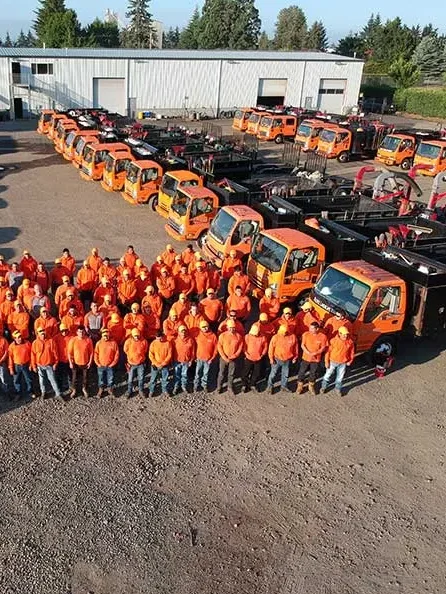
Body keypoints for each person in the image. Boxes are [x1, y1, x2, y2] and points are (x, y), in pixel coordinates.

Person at [320, 326, 355, 396]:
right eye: (344, 334)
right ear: (339, 333)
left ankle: (338, 389)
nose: (345, 335)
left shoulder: (350, 342)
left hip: (343, 363)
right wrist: (326, 362)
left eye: (346, 334)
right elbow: (328, 352)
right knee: (327, 375)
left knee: (340, 377)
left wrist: (350, 361)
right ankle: (323, 387)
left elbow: (352, 353)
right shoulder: (333, 341)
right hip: (332, 361)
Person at [296, 322, 328, 395]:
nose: (310, 329)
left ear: (317, 329)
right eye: (310, 328)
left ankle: (311, 386)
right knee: (301, 372)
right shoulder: (305, 334)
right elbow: (302, 345)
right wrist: (307, 352)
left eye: (312, 328)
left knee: (313, 373)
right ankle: (300, 386)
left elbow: (323, 347)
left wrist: (316, 353)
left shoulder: (323, 337)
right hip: (305, 358)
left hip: (316, 359)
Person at [267, 325, 299, 394]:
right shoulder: (275, 337)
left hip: (287, 360)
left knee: (285, 374)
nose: (283, 333)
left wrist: (295, 357)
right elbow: (271, 348)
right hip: (277, 359)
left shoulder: (293, 337)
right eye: (282, 332)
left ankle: (284, 386)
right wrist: (271, 358)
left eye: (284, 332)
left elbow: (295, 348)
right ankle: (270, 386)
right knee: (273, 374)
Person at [31, 327, 61, 399]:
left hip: (49, 365)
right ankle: (43, 392)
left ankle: (58, 394)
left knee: (52, 379)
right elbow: (33, 355)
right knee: (41, 380)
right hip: (39, 365)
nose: (43, 335)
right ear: (38, 334)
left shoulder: (51, 341)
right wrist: (34, 366)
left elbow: (55, 353)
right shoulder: (35, 343)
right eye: (41, 334)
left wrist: (55, 363)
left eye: (43, 333)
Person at [216, 319, 243, 395]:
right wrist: (224, 357)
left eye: (233, 327)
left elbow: (240, 348)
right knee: (221, 373)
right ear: (227, 327)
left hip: (233, 359)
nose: (232, 329)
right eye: (230, 327)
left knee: (231, 374)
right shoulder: (222, 335)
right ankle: (219, 387)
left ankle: (230, 387)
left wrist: (234, 356)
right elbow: (219, 347)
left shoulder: (238, 336)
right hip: (223, 358)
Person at [68, 326, 94, 398]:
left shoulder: (88, 340)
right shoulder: (73, 340)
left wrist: (90, 362)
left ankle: (84, 389)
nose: (81, 333)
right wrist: (70, 362)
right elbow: (69, 353)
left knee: (85, 378)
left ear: (85, 332)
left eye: (82, 332)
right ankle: (74, 390)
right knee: (74, 378)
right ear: (77, 332)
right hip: (75, 363)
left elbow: (91, 352)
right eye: (79, 332)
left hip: (85, 362)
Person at [8, 330, 34, 401]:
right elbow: (10, 358)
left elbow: (31, 355)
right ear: (14, 338)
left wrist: (31, 364)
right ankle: (18, 393)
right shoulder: (11, 346)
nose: (19, 338)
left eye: (20, 337)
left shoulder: (27, 343)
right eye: (18, 337)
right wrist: (11, 368)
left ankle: (30, 391)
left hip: (26, 364)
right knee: (16, 380)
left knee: (29, 379)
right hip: (17, 366)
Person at [242, 324, 268, 393]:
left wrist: (262, 355)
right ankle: (244, 384)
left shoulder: (263, 337)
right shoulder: (247, 337)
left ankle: (252, 384)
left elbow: (265, 347)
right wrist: (246, 354)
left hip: (258, 358)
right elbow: (244, 347)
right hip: (249, 358)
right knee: (246, 372)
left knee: (256, 372)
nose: (255, 335)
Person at [94, 327, 119, 397]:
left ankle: (110, 388)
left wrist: (113, 363)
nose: (106, 337)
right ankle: (101, 389)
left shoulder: (113, 343)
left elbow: (116, 354)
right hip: (100, 365)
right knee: (101, 378)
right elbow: (96, 353)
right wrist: (97, 363)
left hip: (110, 365)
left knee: (110, 378)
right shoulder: (98, 343)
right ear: (102, 335)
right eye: (104, 336)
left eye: (107, 335)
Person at [194, 320, 218, 393]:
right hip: (199, 358)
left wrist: (212, 358)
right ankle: (196, 385)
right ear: (200, 328)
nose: (205, 328)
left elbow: (216, 349)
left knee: (206, 374)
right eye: (203, 327)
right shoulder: (197, 335)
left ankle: (204, 385)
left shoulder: (213, 336)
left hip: (208, 359)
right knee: (197, 373)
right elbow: (194, 346)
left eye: (206, 326)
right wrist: (194, 356)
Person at [123, 327, 148, 398]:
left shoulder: (144, 341)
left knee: (141, 378)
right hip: (131, 364)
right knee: (130, 379)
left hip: (141, 363)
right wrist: (130, 357)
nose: (136, 337)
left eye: (137, 335)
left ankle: (141, 390)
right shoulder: (128, 341)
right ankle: (129, 391)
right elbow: (125, 350)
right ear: (132, 335)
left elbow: (145, 350)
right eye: (135, 335)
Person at [148, 331, 173, 397]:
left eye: (159, 337)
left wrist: (163, 363)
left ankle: (165, 390)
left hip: (165, 365)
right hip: (155, 365)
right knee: (153, 378)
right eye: (157, 337)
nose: (158, 339)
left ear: (162, 336)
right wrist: (156, 363)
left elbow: (169, 355)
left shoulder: (168, 343)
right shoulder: (153, 343)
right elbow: (151, 355)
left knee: (165, 379)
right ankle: (151, 390)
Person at [173, 325, 195, 395]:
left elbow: (193, 351)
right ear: (178, 332)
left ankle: (183, 386)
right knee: (177, 374)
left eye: (184, 331)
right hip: (177, 361)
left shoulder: (190, 340)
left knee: (184, 374)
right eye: (181, 331)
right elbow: (172, 351)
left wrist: (191, 360)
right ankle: (176, 386)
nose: (183, 333)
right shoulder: (174, 340)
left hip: (186, 361)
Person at [55, 322, 71, 394]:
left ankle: (71, 387)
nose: (64, 332)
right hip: (60, 360)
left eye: (65, 330)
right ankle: (60, 387)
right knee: (59, 375)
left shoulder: (72, 337)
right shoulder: (56, 338)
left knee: (70, 375)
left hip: (69, 360)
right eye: (62, 331)